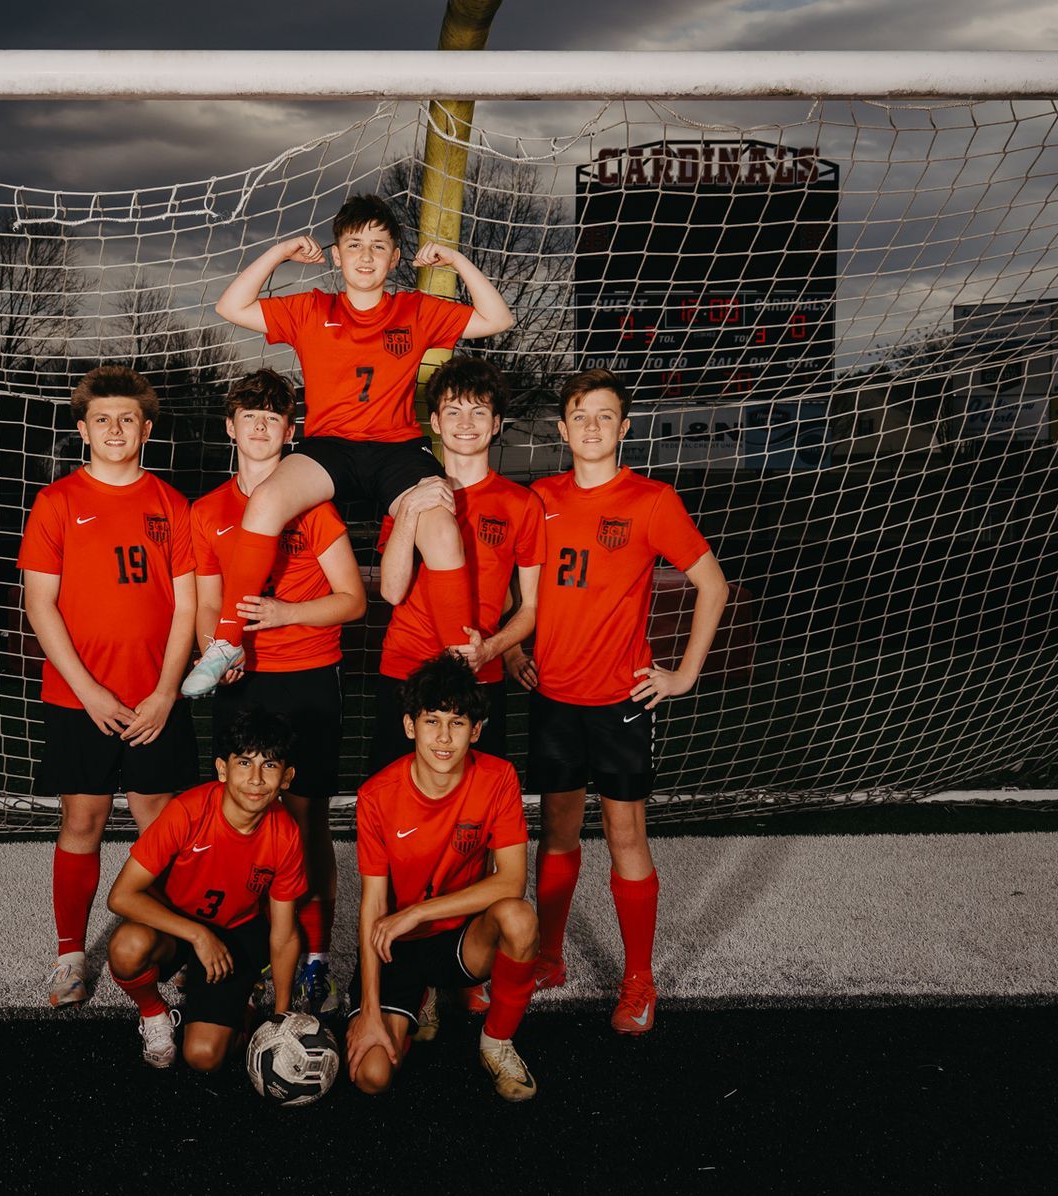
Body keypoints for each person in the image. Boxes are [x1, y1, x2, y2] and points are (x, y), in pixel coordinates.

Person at [181, 191, 515, 697]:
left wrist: (455, 259)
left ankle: (456, 658)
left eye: (379, 247)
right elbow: (231, 305)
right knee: (267, 500)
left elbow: (497, 319)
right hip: (329, 447)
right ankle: (226, 641)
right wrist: (280, 252)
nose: (365, 256)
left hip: (396, 448)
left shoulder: (415, 310)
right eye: (354, 245)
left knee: (443, 529)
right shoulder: (311, 309)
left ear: (395, 258)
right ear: (335, 255)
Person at [522, 367, 729, 1035]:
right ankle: (548, 958)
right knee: (555, 833)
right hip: (554, 697)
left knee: (624, 835)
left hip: (619, 701)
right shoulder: (540, 498)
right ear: (562, 428)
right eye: (580, 415)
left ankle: (638, 978)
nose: (591, 426)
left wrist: (684, 674)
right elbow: (516, 588)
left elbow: (712, 584)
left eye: (605, 416)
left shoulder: (651, 499)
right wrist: (511, 651)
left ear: (624, 427)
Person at [16, 363, 198, 1008]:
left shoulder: (171, 505)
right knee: (83, 819)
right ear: (83, 430)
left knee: (161, 827)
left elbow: (186, 608)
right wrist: (90, 691)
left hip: (154, 700)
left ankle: (172, 947)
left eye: (127, 419)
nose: (115, 429)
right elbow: (40, 605)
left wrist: (166, 692)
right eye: (102, 419)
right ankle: (70, 954)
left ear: (146, 429)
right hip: (78, 698)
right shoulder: (58, 502)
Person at [191, 368, 365, 1015]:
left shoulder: (312, 508)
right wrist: (220, 648)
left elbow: (352, 600)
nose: (261, 429)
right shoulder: (206, 512)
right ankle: (259, 948)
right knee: (242, 817)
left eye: (274, 420)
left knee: (306, 820)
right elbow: (208, 606)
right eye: (250, 418)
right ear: (231, 428)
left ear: (290, 434)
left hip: (310, 679)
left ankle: (315, 958)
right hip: (245, 684)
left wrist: (283, 615)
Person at [346, 653, 542, 1102]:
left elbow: (511, 882)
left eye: (457, 723)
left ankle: (497, 1042)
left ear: (475, 731)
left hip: (459, 938)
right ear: (410, 726)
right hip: (397, 946)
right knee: (371, 1076)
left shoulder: (498, 779)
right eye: (432, 721)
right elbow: (373, 905)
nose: (444, 737)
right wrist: (371, 1011)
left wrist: (417, 913)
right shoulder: (376, 797)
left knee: (519, 919)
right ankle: (420, 996)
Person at [104, 709, 308, 1071]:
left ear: (287, 777)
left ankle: (242, 1008)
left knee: (202, 1057)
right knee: (126, 947)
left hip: (235, 932)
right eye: (244, 762)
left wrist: (282, 1018)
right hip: (176, 923)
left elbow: (284, 932)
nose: (256, 779)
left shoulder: (286, 834)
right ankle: (154, 1015)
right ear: (223, 769)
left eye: (270, 766)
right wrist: (197, 934)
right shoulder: (187, 812)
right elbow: (120, 896)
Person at [370, 355, 544, 775]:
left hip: (479, 674)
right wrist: (411, 510)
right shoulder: (407, 494)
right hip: (406, 667)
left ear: (496, 422)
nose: (466, 422)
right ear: (435, 421)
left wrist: (489, 649)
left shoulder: (521, 504)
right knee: (393, 803)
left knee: (477, 812)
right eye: (454, 410)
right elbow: (392, 591)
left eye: (478, 411)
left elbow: (529, 610)